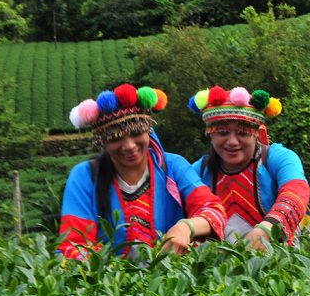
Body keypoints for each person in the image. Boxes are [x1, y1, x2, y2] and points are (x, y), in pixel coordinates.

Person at [60, 84, 226, 259]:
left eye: (136, 132)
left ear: (149, 130)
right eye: (115, 138)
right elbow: (73, 246)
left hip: (172, 277)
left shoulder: (173, 166)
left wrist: (185, 227)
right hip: (112, 282)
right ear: (103, 142)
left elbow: (213, 211)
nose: (129, 146)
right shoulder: (85, 177)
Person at [189, 85, 310, 250]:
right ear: (210, 134)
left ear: (257, 133)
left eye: (243, 133)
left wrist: (268, 228)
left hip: (277, 265)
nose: (232, 141)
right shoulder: (198, 170)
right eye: (223, 133)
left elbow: (296, 192)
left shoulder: (279, 158)